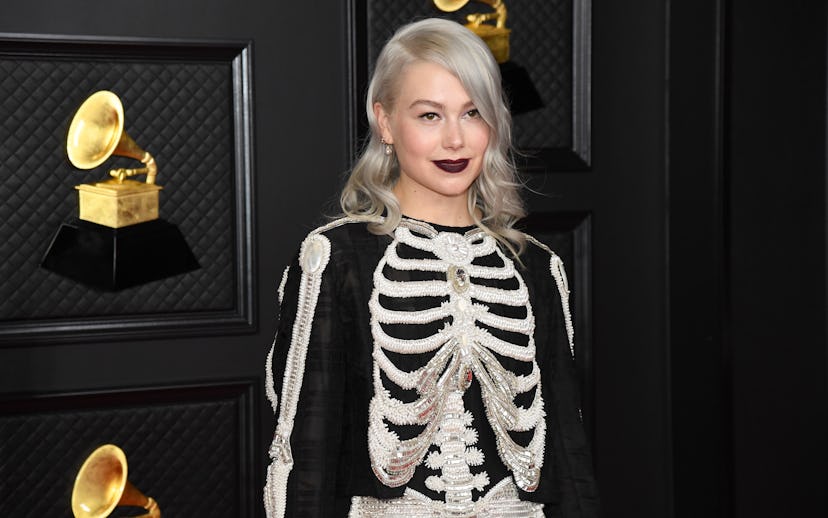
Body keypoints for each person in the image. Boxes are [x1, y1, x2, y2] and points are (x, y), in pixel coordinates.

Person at [263, 17, 598, 518]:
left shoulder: (537, 267)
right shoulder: (336, 258)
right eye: (429, 116)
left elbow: (568, 453)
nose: (456, 141)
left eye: (472, 113)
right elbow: (304, 454)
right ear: (385, 122)